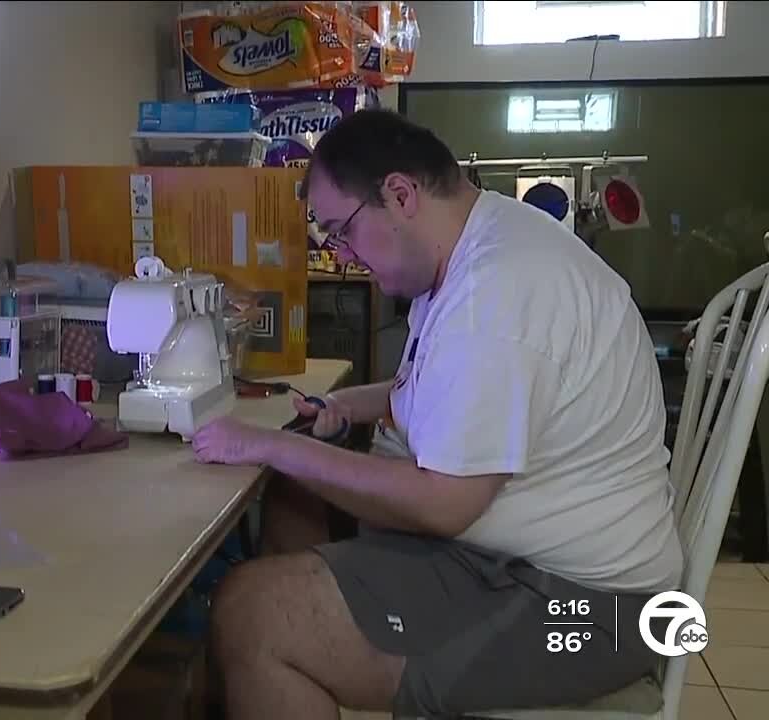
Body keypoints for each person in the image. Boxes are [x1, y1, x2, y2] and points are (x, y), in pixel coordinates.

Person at [191, 109, 683, 719]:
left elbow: (443, 504)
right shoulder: (479, 247)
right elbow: (425, 387)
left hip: (589, 610)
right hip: (521, 558)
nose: (341, 253)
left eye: (341, 231)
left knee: (250, 614)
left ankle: (281, 654)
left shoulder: (493, 296)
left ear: (399, 195)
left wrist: (269, 446)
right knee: (296, 500)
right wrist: (342, 404)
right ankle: (291, 668)